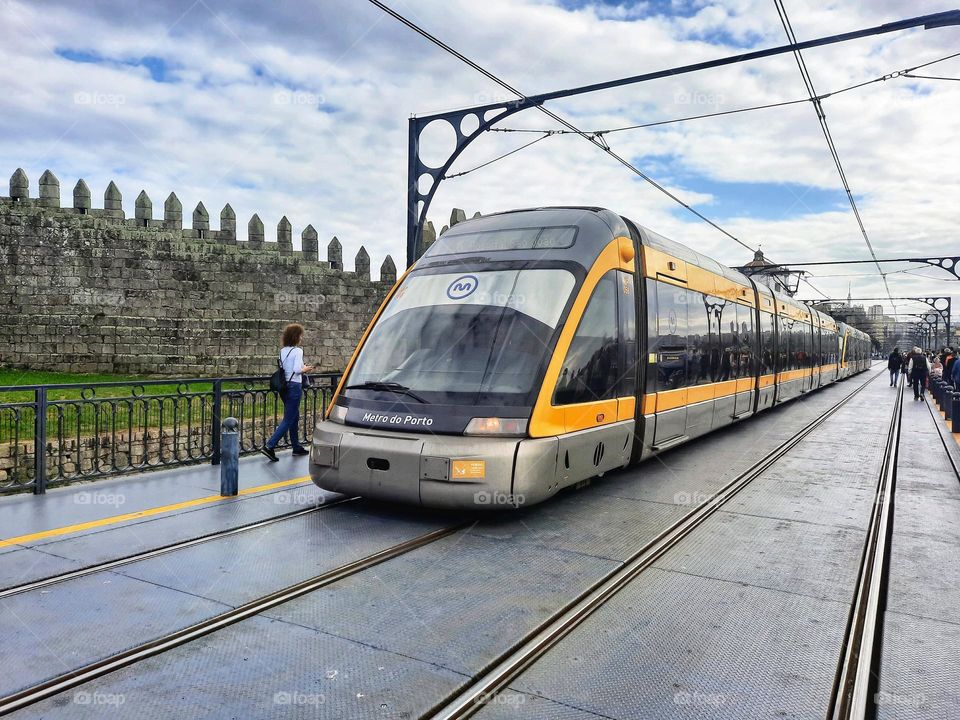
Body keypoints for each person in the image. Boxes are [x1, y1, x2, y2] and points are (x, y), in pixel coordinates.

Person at [262, 323, 314, 462]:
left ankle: (296, 447)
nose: (302, 338)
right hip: (294, 387)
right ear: (296, 337)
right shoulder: (298, 351)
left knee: (294, 416)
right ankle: (269, 446)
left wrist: (301, 367)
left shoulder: (282, 351)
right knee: (289, 418)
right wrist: (306, 369)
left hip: (284, 387)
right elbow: (297, 370)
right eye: (301, 336)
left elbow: (286, 368)